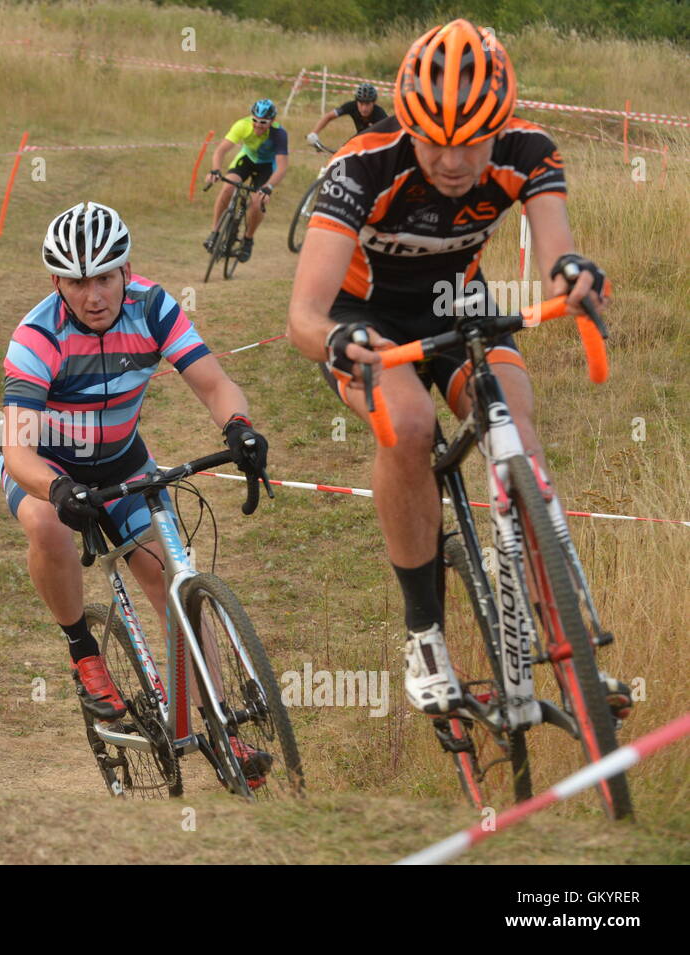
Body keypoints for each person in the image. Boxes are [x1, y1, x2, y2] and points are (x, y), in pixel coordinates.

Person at [285, 18, 631, 719]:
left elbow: (555, 249)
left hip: (458, 303)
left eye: (470, 140)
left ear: (499, 127)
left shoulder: (529, 152)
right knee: (408, 426)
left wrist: (573, 277)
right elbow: (304, 314)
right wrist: (336, 341)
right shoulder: (361, 167)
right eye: (434, 140)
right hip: (364, 317)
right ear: (406, 122)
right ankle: (425, 638)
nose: (450, 159)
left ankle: (560, 623)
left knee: (511, 418)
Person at [0, 201, 273, 783]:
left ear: (127, 271)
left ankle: (222, 728)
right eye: (76, 281)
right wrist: (59, 489)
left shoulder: (153, 308)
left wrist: (240, 429)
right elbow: (18, 452)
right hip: (49, 469)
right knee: (48, 526)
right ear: (56, 283)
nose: (93, 294)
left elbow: (214, 382)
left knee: (172, 582)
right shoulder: (35, 338)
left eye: (104, 276)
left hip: (123, 460)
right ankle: (83, 651)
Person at [203, 98, 290, 264]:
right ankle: (214, 232)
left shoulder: (279, 134)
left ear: (272, 121)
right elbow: (220, 150)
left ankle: (248, 239)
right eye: (255, 120)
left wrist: (268, 187)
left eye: (263, 122)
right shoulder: (242, 125)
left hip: (266, 167)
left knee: (257, 202)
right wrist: (215, 169)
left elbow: (282, 167)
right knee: (228, 187)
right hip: (247, 160)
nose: (258, 125)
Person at [306, 82, 389, 151]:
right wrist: (314, 133)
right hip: (359, 138)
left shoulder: (380, 114)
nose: (364, 108)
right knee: (343, 152)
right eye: (361, 104)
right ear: (356, 102)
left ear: (374, 103)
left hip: (375, 143)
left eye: (367, 104)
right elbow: (329, 116)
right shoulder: (351, 106)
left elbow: (389, 134)